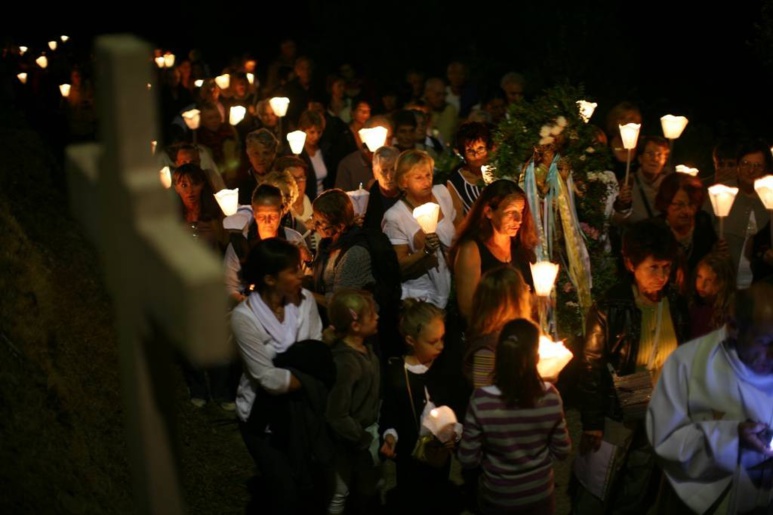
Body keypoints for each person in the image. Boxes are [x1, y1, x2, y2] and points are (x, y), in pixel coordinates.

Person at [572, 218, 690, 514]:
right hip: (617, 411)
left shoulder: (673, 301)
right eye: (653, 268)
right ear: (630, 264)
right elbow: (591, 368)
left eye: (666, 267)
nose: (662, 277)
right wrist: (593, 422)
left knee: (639, 473)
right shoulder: (611, 307)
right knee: (599, 479)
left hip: (658, 412)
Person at [646, 281, 773, 514]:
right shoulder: (688, 365)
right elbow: (666, 442)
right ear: (735, 328)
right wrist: (732, 438)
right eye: (765, 343)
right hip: (703, 503)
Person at [232, 237, 333, 515]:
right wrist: (311, 380)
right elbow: (267, 378)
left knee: (309, 486)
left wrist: (307, 372)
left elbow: (315, 348)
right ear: (270, 279)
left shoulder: (305, 303)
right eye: (293, 270)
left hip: (301, 412)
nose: (301, 275)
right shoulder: (244, 318)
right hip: (262, 417)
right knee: (284, 493)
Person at [458, 318, 572, 515]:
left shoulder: (481, 401)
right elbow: (562, 450)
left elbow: (468, 458)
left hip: (498, 496)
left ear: (499, 355)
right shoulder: (550, 396)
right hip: (540, 494)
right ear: (536, 358)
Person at [379, 298, 465, 514]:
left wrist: (455, 433)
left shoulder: (445, 368)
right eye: (433, 341)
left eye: (442, 339)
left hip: (440, 455)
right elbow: (390, 413)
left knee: (438, 498)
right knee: (413, 500)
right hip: (410, 456)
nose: (441, 346)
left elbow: (458, 406)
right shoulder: (398, 372)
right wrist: (390, 437)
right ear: (411, 340)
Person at [323, 289, 382, 515]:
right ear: (355, 326)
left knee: (370, 485)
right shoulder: (346, 363)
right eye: (372, 314)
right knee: (340, 489)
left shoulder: (367, 352)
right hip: (348, 440)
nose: (377, 316)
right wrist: (361, 437)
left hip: (366, 433)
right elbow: (336, 414)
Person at [449, 179, 538, 322]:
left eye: (521, 211)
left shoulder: (520, 247)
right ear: (489, 212)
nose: (519, 219)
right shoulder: (471, 250)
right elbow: (468, 310)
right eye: (510, 212)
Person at [382, 149, 461, 309]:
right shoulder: (396, 216)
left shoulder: (442, 193)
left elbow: (459, 230)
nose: (426, 182)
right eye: (418, 177)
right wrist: (424, 252)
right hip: (423, 298)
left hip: (453, 287)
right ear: (404, 182)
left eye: (428, 175)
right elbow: (399, 266)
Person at [223, 184, 308, 304]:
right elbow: (229, 286)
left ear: (282, 211)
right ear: (254, 212)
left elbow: (304, 279)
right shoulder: (240, 244)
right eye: (262, 216)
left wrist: (307, 260)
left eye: (272, 216)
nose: (267, 222)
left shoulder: (294, 239)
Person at [462, 266, 534, 388]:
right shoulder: (486, 350)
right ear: (513, 302)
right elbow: (483, 398)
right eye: (524, 288)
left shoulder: (514, 337)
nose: (528, 293)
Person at [653, 171, 719, 287]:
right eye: (679, 204)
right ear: (666, 203)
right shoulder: (656, 229)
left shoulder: (702, 222)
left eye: (692, 204)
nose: (686, 211)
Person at [447, 120, 495, 217]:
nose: (476, 154)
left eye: (480, 148)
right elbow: (458, 221)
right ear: (463, 153)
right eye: (470, 150)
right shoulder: (456, 182)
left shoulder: (500, 171)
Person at [688, 251, 736, 339]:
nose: (701, 285)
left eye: (709, 280)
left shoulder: (729, 313)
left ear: (722, 283)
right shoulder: (695, 304)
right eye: (699, 277)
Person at [362, 145, 400, 232]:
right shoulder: (366, 200)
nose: (389, 176)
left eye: (393, 169)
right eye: (384, 170)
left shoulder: (408, 193)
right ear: (375, 173)